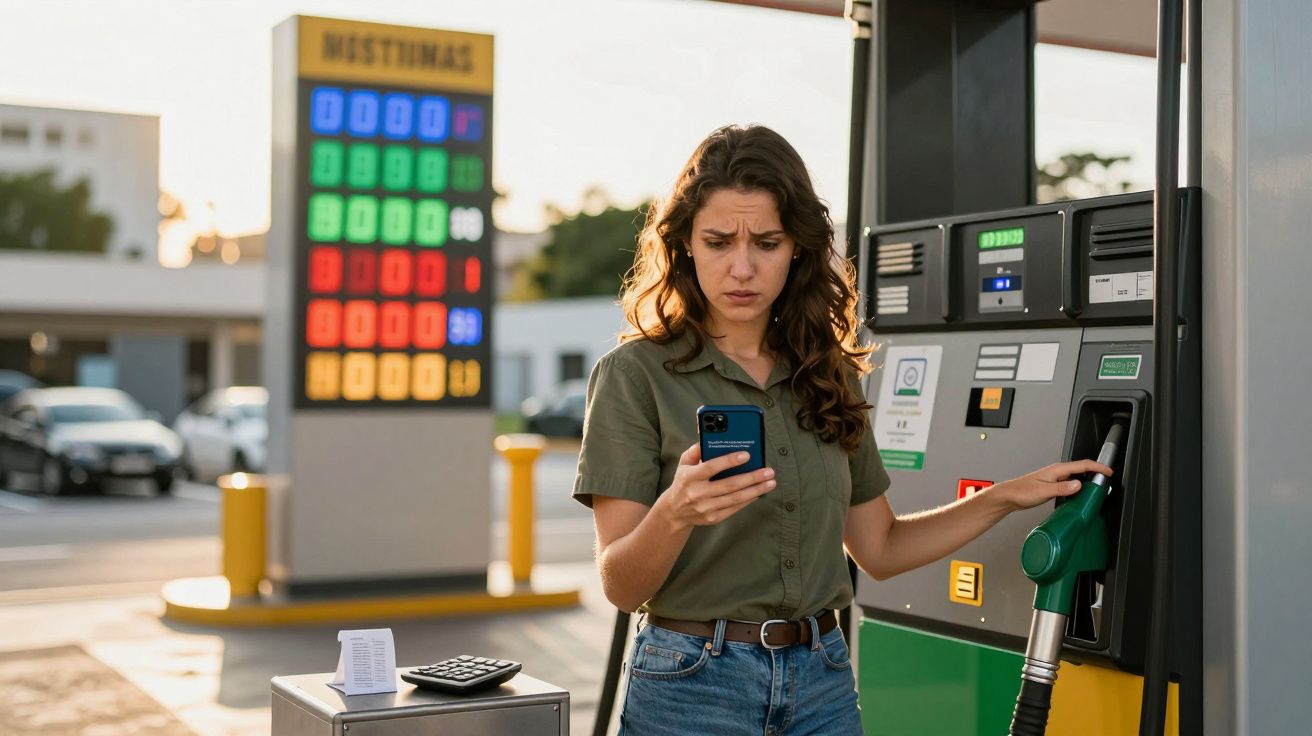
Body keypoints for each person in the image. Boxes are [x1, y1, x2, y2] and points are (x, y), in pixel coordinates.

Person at [571, 124, 1111, 736]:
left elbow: (879, 549)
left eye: (768, 243)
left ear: (797, 248)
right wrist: (675, 513)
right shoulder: (634, 375)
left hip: (821, 680)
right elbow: (620, 584)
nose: (742, 268)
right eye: (718, 242)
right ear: (685, 246)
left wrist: (1009, 496)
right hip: (691, 686)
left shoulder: (826, 373)